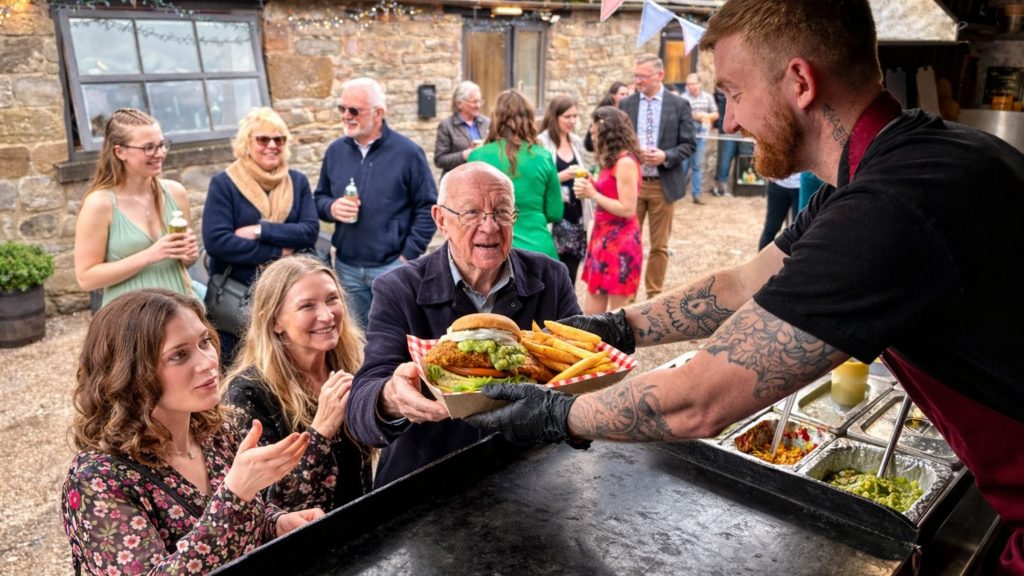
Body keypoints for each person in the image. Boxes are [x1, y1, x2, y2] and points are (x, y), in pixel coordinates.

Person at [467, 1, 1024, 573]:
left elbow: (701, 399)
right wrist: (617, 328)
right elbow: (742, 284)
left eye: (733, 92)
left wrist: (556, 415)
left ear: (801, 82)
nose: (729, 122)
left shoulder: (891, 207)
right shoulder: (901, 163)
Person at [345, 161, 581, 488]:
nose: (490, 227)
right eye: (471, 213)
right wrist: (390, 397)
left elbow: (578, 370)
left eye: (501, 212)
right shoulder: (399, 288)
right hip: (427, 478)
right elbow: (361, 404)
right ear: (441, 220)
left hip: (530, 473)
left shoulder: (550, 277)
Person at [62, 289, 322, 575]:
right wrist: (236, 494)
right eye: (179, 355)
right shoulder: (96, 479)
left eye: (205, 341)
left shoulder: (215, 430)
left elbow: (240, 518)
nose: (208, 361)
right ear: (130, 372)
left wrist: (275, 524)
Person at [223, 256, 372, 511]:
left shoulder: (352, 363)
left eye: (332, 299)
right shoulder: (248, 393)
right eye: (307, 306)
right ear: (274, 322)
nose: (326, 315)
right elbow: (268, 505)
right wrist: (321, 430)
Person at [314, 77, 437, 329]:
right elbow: (319, 198)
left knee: (396, 335)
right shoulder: (335, 151)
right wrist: (331, 207)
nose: (346, 116)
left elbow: (428, 208)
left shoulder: (408, 153)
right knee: (355, 340)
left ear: (379, 113)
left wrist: (407, 256)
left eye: (354, 110)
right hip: (346, 267)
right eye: (342, 109)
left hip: (392, 266)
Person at [203, 107, 320, 364]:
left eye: (279, 139)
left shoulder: (296, 181)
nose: (272, 145)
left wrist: (260, 230)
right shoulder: (225, 184)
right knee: (240, 366)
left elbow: (309, 231)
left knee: (288, 364)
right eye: (263, 139)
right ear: (247, 143)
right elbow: (218, 241)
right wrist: (278, 251)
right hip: (239, 296)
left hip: (287, 294)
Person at [73, 108, 198, 308]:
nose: (160, 154)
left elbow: (184, 261)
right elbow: (86, 278)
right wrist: (149, 255)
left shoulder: (176, 193)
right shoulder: (99, 204)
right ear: (119, 151)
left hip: (179, 308)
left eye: (162, 145)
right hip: (129, 317)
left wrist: (188, 255)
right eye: (148, 147)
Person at [618, 53, 696, 299]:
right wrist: (630, 154)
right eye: (636, 76)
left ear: (659, 75)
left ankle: (654, 297)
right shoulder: (627, 104)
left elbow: (689, 144)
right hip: (633, 185)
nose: (637, 80)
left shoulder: (679, 104)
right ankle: (628, 297)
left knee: (659, 246)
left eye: (642, 76)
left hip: (663, 184)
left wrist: (666, 156)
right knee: (629, 244)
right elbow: (618, 141)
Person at [469, 89, 563, 260]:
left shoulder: (478, 156)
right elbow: (555, 212)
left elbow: (469, 210)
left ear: (496, 118)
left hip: (494, 250)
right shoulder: (542, 156)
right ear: (529, 118)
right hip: (539, 250)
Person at [575, 106, 643, 313]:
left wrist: (593, 194)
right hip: (602, 237)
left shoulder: (625, 163)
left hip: (620, 241)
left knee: (616, 314)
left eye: (594, 131)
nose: (592, 136)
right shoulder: (610, 161)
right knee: (592, 312)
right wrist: (592, 182)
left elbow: (627, 209)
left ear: (607, 133)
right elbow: (611, 193)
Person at [537, 95, 589, 284]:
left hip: (575, 216)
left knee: (570, 275)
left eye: (575, 116)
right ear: (554, 116)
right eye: (567, 117)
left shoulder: (576, 141)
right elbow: (537, 181)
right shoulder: (541, 143)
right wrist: (560, 177)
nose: (572, 121)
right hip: (553, 217)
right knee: (550, 273)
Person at [434, 81, 491, 179]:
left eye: (479, 101)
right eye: (474, 101)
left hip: (482, 179)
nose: (478, 105)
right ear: (460, 103)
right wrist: (464, 155)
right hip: (457, 182)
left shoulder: (486, 123)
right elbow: (439, 160)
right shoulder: (447, 126)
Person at [680, 73, 720, 205]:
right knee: (683, 165)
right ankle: (678, 193)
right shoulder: (683, 97)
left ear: (699, 84)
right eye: (688, 84)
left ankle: (696, 195)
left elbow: (715, 114)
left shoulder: (708, 97)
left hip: (702, 134)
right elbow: (682, 115)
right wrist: (699, 116)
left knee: (697, 165)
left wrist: (705, 116)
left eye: (693, 84)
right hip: (685, 136)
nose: (691, 87)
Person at [757, 172, 802, 250]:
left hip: (801, 186)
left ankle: (795, 261)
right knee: (770, 229)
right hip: (777, 184)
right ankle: (760, 261)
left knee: (800, 232)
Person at [584, 81, 631, 153]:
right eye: (622, 94)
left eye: (627, 94)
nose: (626, 97)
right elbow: (590, 141)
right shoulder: (602, 114)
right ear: (613, 95)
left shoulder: (626, 112)